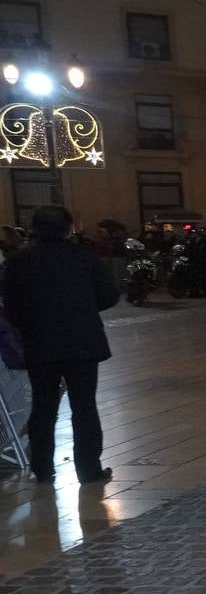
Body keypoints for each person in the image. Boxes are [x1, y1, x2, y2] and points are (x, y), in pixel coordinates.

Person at [2, 206, 119, 484]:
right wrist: (84, 309)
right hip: (81, 343)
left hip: (39, 344)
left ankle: (42, 467)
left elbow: (12, 306)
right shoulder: (84, 257)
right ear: (67, 229)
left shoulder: (19, 262)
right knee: (84, 405)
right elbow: (109, 294)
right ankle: (88, 469)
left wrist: (31, 324)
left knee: (43, 406)